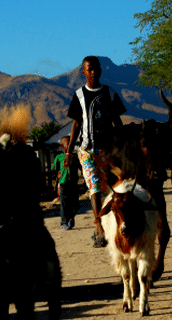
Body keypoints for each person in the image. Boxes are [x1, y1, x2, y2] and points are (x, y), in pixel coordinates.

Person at [64, 56, 127, 247]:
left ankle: (114, 224)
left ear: (100, 71)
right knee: (94, 186)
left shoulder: (110, 93)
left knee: (110, 189)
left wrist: (122, 146)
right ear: (83, 72)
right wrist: (69, 152)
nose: (92, 73)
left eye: (95, 69)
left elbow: (117, 123)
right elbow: (76, 125)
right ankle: (98, 224)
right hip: (87, 150)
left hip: (107, 151)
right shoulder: (79, 96)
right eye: (88, 70)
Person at [51, 136, 80, 230]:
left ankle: (71, 218)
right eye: (67, 143)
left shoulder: (75, 157)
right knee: (64, 203)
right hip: (63, 183)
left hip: (73, 183)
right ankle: (64, 222)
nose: (69, 145)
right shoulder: (59, 157)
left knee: (75, 204)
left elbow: (82, 167)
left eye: (71, 143)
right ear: (62, 145)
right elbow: (54, 169)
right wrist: (58, 172)